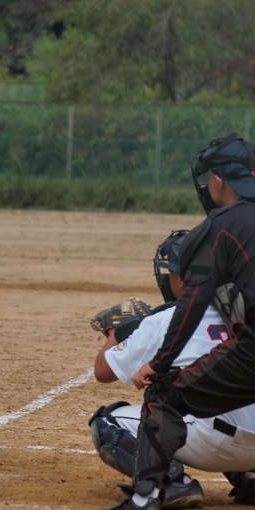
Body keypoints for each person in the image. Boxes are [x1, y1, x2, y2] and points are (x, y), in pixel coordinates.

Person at [103, 135, 255, 510]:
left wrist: (160, 363)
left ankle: (147, 497)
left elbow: (193, 302)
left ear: (217, 180)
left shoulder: (219, 227)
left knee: (164, 396)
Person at [90, 230, 255, 509]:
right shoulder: (247, 314)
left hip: (214, 443)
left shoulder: (169, 319)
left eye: (170, 272)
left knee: (107, 422)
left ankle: (172, 482)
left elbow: (102, 371)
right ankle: (250, 478)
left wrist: (118, 332)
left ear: (183, 278)